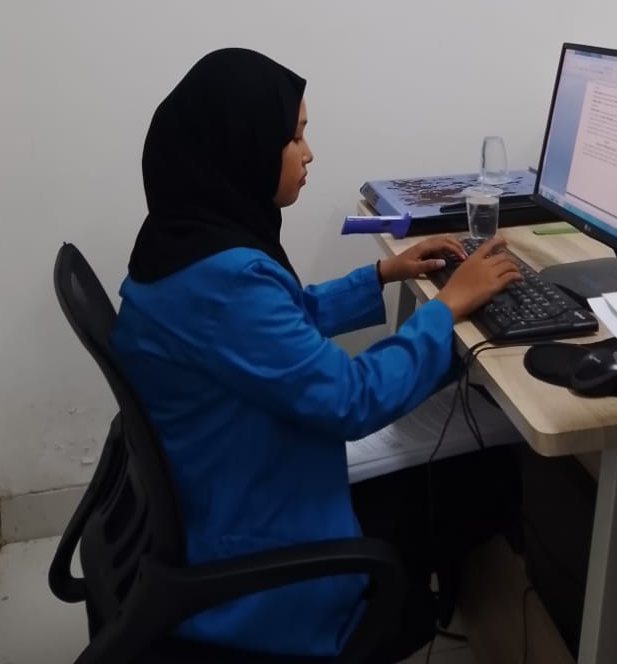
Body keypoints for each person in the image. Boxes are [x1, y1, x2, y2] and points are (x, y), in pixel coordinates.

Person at [112, 48, 522, 660]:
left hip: (229, 489)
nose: (308, 154)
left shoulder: (184, 242)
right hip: (264, 561)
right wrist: (448, 306)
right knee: (490, 471)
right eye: (295, 136)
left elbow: (277, 327)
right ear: (245, 145)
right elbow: (352, 400)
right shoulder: (229, 282)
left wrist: (382, 274)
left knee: (454, 454)